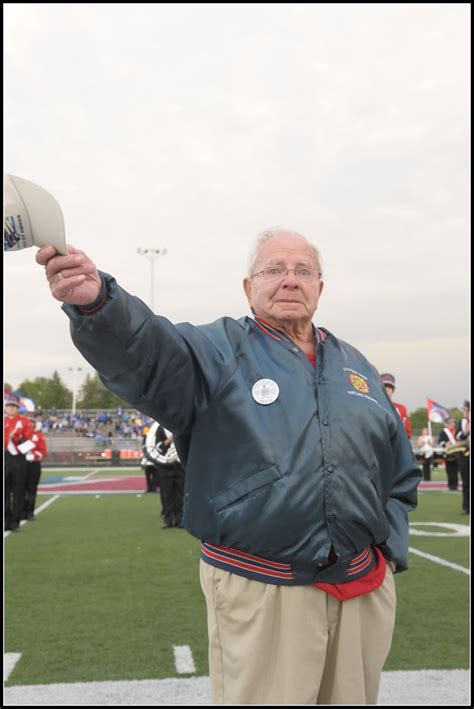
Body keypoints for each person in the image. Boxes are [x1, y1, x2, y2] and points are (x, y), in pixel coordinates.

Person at [36, 228, 421, 705]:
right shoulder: (217, 349)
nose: (289, 280)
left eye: (304, 271)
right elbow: (149, 353)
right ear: (248, 287)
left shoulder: (356, 367)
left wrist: (387, 549)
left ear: (321, 287)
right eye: (273, 270)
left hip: (362, 587)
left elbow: (399, 473)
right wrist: (99, 305)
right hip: (263, 588)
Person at [143, 421, 185, 528]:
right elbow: (157, 447)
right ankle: (168, 520)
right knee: (167, 494)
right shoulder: (159, 429)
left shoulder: (180, 426)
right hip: (164, 465)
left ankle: (180, 520)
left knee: (180, 493)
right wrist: (168, 441)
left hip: (179, 465)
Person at [4, 395, 35, 532]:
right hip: (5, 457)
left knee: (18, 492)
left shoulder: (25, 422)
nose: (10, 408)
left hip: (19, 459)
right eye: (8, 405)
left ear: (17, 408)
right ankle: (5, 520)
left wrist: (17, 438)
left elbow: (29, 443)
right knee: (4, 492)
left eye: (13, 406)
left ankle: (15, 522)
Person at [23, 415, 48, 520]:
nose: (30, 424)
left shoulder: (38, 436)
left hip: (34, 465)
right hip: (21, 465)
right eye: (28, 422)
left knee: (32, 489)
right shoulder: (20, 435)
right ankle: (20, 511)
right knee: (20, 489)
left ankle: (30, 512)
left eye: (32, 422)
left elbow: (43, 451)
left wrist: (33, 456)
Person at [381, 373, 412, 439]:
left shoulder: (401, 409)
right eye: (384, 386)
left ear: (393, 391)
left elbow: (407, 433)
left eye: (389, 387)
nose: (387, 389)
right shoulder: (373, 406)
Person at [438, 417, 460, 491]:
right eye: (450, 423)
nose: (452, 424)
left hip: (457, 453)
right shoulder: (444, 432)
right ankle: (451, 485)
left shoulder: (457, 431)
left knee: (456, 470)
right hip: (448, 454)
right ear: (447, 424)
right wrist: (445, 444)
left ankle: (456, 485)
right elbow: (440, 442)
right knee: (449, 470)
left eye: (453, 423)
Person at [456, 401, 470, 514]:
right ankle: (466, 507)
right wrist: (465, 432)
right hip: (464, 455)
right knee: (465, 482)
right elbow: (458, 436)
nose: (464, 412)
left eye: (466, 410)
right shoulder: (461, 422)